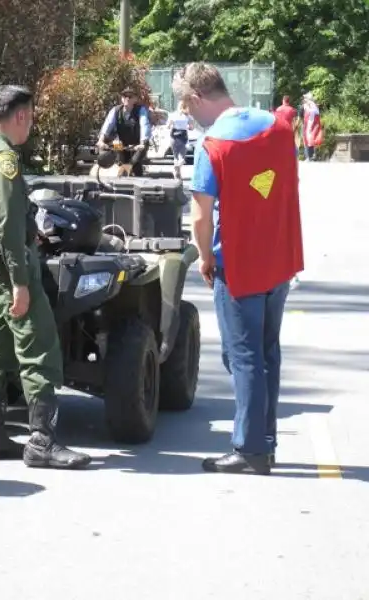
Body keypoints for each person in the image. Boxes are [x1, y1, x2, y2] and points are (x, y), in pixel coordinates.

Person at [173, 62, 304, 475]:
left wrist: (206, 259)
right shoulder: (277, 127)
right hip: (279, 258)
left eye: (185, 104)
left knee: (242, 356)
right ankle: (265, 442)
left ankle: (249, 448)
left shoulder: (213, 145)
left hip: (240, 265)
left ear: (196, 98)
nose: (187, 113)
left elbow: (200, 215)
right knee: (267, 352)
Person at [0, 84, 91, 470]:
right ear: (19, 116)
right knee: (39, 348)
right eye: (30, 117)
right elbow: (7, 224)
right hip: (12, 268)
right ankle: (41, 441)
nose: (30, 125)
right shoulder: (3, 159)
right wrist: (20, 280)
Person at [95, 88, 153, 176]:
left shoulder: (141, 110)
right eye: (125, 96)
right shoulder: (116, 111)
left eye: (130, 96)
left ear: (135, 99)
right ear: (122, 98)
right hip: (122, 145)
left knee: (134, 163)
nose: (127, 98)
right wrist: (101, 140)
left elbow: (144, 125)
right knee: (120, 158)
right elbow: (107, 125)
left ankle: (136, 177)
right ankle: (121, 173)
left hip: (138, 145)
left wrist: (142, 143)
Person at [166, 101, 194, 180]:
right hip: (183, 137)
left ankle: (177, 174)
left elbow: (168, 126)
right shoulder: (188, 116)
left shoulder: (172, 115)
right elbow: (192, 127)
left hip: (173, 137)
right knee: (182, 157)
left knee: (176, 157)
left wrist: (173, 124)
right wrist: (187, 126)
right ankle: (178, 169)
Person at [301, 92, 324, 161]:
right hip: (313, 125)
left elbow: (302, 115)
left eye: (305, 98)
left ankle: (309, 156)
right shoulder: (315, 106)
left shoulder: (306, 105)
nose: (304, 99)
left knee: (308, 140)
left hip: (309, 125)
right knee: (312, 140)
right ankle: (312, 156)